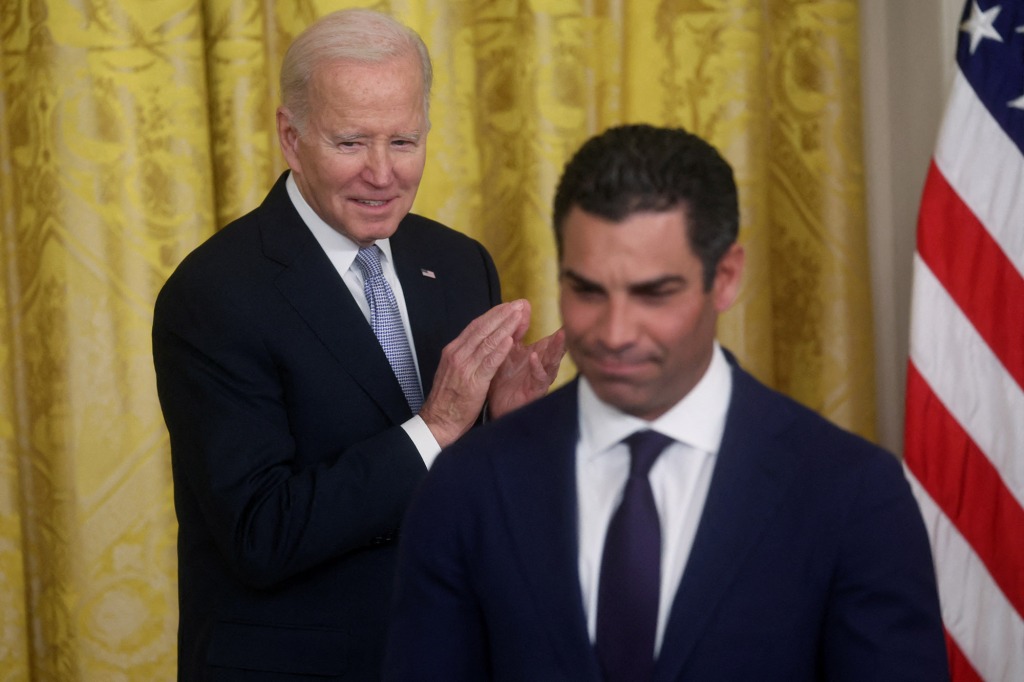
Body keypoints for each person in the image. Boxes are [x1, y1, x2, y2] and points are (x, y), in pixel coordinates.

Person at [384, 124, 949, 681]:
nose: (616, 331)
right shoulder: (467, 486)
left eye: (654, 293)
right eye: (587, 290)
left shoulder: (853, 492)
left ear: (725, 277)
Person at [152, 8, 563, 680]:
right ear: (290, 136)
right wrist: (437, 426)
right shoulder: (213, 294)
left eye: (404, 141)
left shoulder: (460, 263)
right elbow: (262, 533)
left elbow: (472, 503)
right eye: (351, 143)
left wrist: (506, 432)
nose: (383, 174)